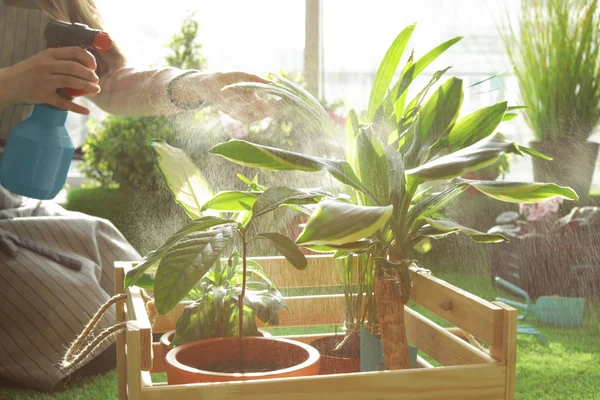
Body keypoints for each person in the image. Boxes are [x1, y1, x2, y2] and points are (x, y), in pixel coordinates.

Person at [0, 0, 279, 391]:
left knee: (118, 261)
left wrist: (202, 86)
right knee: (64, 310)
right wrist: (10, 84)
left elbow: (112, 81)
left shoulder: (63, 4)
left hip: (10, 197)